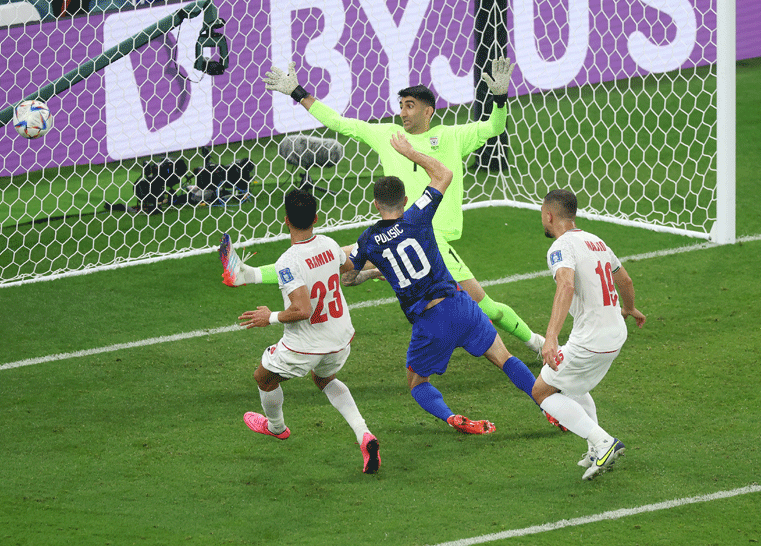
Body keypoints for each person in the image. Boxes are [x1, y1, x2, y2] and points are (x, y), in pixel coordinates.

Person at [252, 57, 546, 357]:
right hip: (397, 235)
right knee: (325, 259)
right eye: (402, 105)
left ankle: (536, 343)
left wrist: (500, 98)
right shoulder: (387, 135)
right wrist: (298, 93)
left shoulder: (452, 137)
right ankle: (246, 274)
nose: (403, 112)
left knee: (488, 309)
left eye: (410, 106)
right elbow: (340, 123)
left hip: (435, 242)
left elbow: (496, 126)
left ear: (428, 111)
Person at [341, 132, 545, 435]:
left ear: (375, 204)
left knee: (417, 384)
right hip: (461, 305)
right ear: (405, 200)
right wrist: (410, 152)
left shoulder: (368, 241)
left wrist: (373, 271)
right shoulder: (418, 215)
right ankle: (549, 407)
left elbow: (347, 277)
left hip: (429, 321)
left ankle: (451, 417)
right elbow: (444, 174)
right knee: (505, 358)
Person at [219, 189, 381, 474]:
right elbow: (349, 273)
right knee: (324, 378)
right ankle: (364, 434)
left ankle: (276, 427)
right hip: (340, 338)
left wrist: (269, 317)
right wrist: (376, 272)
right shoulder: (330, 244)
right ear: (316, 218)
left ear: (286, 220)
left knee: (263, 378)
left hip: (306, 344)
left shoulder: (288, 260)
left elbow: (302, 309)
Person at [532, 189, 646, 480]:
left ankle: (603, 442)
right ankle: (596, 450)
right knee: (573, 386)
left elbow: (566, 285)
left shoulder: (560, 247)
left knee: (542, 391)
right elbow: (625, 280)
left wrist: (551, 337)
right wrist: (629, 308)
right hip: (615, 334)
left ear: (549, 215)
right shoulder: (597, 242)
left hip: (591, 340)